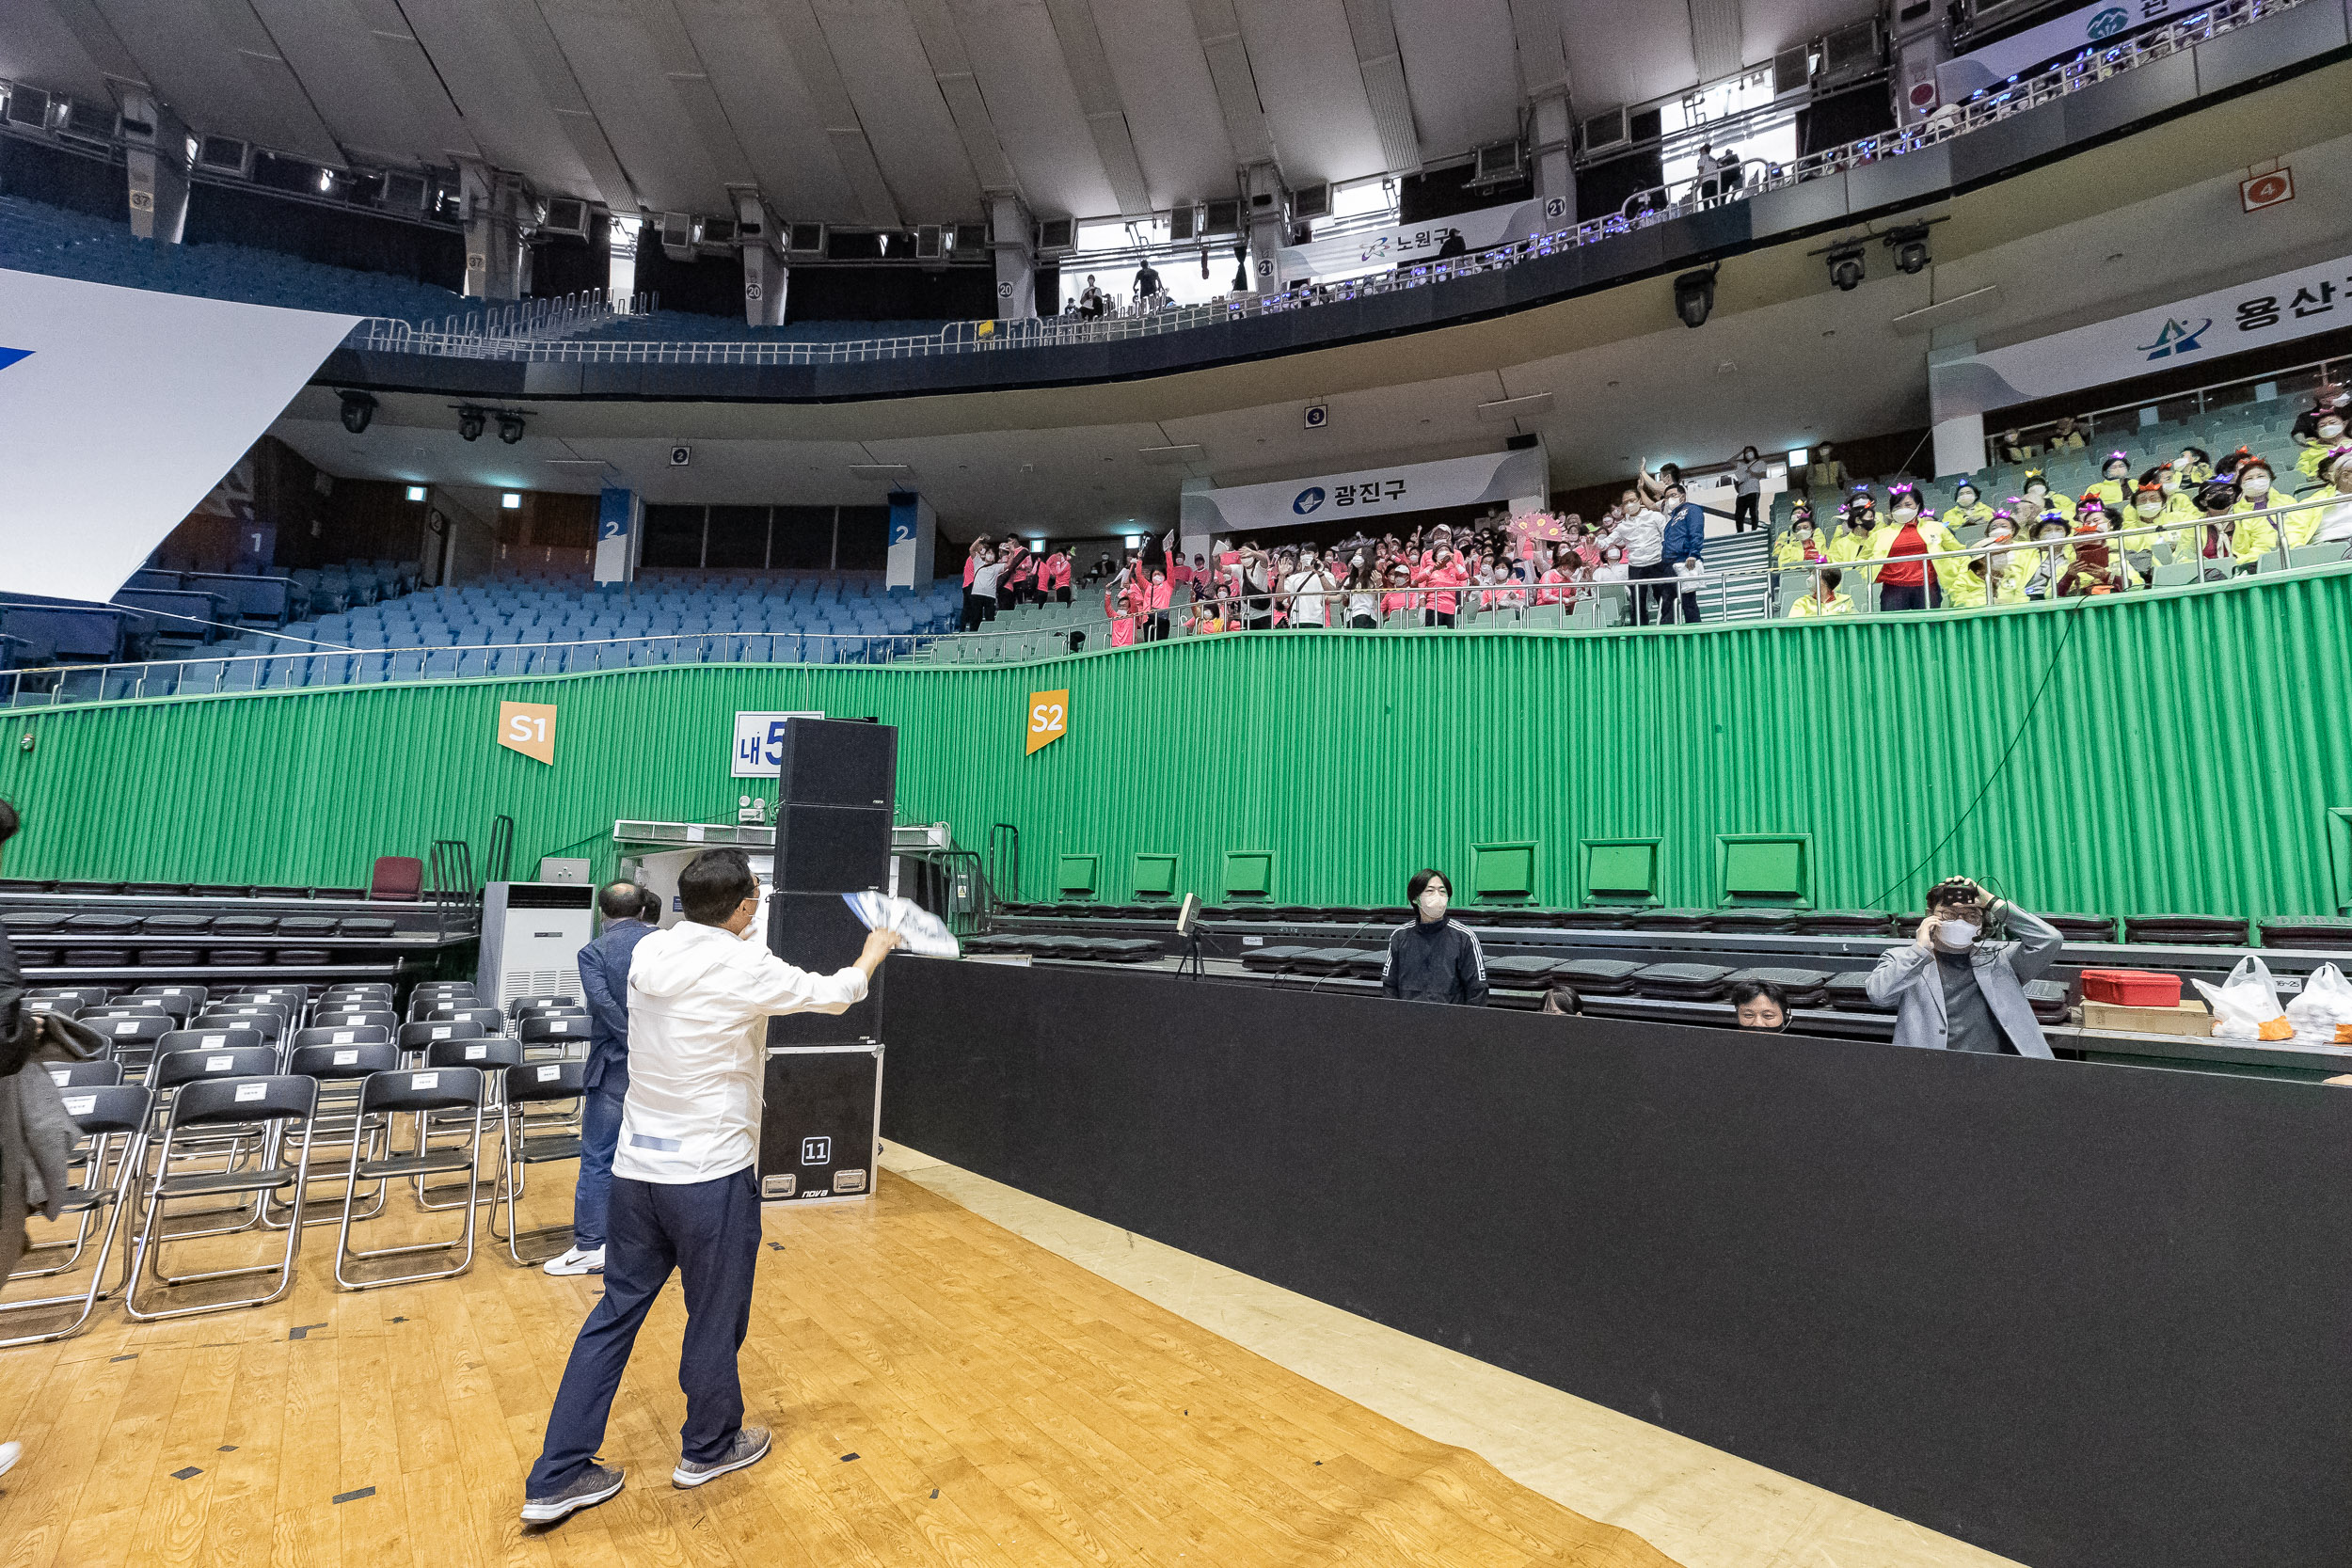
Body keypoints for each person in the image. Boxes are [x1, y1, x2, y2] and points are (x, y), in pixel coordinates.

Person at [522, 849, 902, 1525]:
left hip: (636, 1175)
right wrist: (874, 949)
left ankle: (556, 1474)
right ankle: (709, 1444)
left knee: (613, 1315)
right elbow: (838, 992)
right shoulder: (743, 964)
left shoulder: (648, 956)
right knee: (715, 1311)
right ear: (747, 905)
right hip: (708, 1176)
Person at [544, 881, 661, 1276]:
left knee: (598, 1156)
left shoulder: (593, 951)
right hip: (665, 1065)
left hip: (615, 1064)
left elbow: (603, 1003)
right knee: (657, 1152)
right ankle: (656, 1239)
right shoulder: (666, 943)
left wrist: (632, 1040)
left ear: (601, 913)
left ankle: (592, 1246)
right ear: (644, 912)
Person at [1864, 877, 2061, 1057]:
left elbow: (2049, 939)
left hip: (2001, 1068)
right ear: (1929, 916)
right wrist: (1920, 950)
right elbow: (1879, 995)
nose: (1960, 921)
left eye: (1971, 916)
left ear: (1982, 923)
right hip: (1933, 1071)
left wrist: (1992, 902)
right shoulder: (1904, 959)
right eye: (1949, 914)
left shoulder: (2001, 961)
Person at [1381, 870, 1487, 1006]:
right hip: (1407, 1022)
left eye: (1442, 891)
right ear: (1415, 898)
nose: (1438, 896)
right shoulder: (1399, 936)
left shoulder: (1464, 937)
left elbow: (1477, 990)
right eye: (1430, 891)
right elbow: (1389, 986)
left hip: (1450, 1023)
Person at [1868, 483, 1959, 612]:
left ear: (1918, 505)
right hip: (1893, 588)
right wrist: (1879, 574)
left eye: (1908, 505)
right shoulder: (1879, 534)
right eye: (1897, 506)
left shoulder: (1936, 528)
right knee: (1895, 627)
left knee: (1929, 626)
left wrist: (1948, 569)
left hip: (1928, 586)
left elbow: (1958, 551)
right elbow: (1863, 560)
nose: (1903, 509)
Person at [1617, 488, 1670, 625]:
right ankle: (1640, 629)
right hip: (1636, 566)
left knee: (1663, 596)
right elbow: (1605, 542)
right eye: (1625, 502)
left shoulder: (1655, 516)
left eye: (1632, 500)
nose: (1629, 504)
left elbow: (1667, 535)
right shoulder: (1622, 526)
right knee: (1637, 600)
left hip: (1657, 561)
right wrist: (1593, 541)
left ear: (1640, 500)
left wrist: (1666, 554)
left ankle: (1668, 625)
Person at [1659, 483, 1706, 623]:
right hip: (1668, 564)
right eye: (1666, 498)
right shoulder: (1671, 519)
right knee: (1667, 603)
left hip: (1684, 562)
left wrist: (1693, 553)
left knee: (1688, 602)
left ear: (1683, 496)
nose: (1669, 500)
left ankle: (1696, 634)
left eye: (1673, 495)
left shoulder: (1692, 509)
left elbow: (1696, 531)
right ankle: (1667, 638)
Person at [1788, 565, 1855, 617]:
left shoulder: (1846, 601)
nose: (1809, 579)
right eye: (1810, 575)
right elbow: (1793, 628)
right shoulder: (1801, 603)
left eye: (1814, 575)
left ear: (1825, 581)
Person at [1730, 446, 1768, 531]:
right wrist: (1741, 451)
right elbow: (1731, 461)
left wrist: (1751, 473)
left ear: (1754, 452)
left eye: (1750, 451)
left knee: (1753, 511)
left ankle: (1754, 529)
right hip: (1742, 491)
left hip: (1753, 490)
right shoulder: (1742, 465)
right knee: (1739, 514)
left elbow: (1763, 475)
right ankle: (1740, 532)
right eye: (1746, 452)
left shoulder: (1760, 462)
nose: (1748, 453)